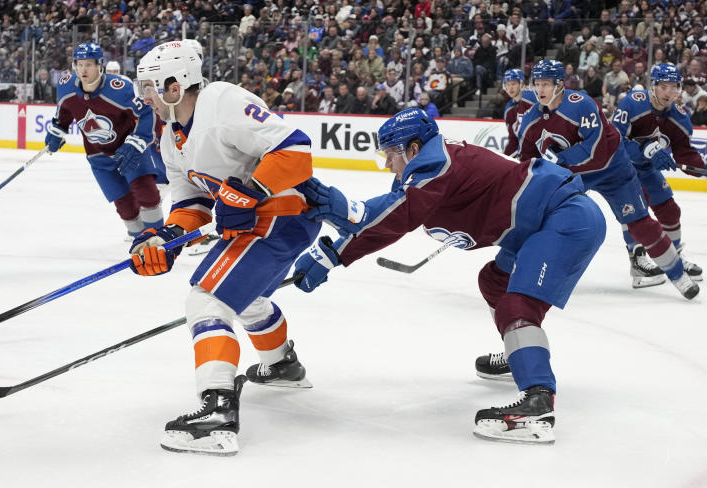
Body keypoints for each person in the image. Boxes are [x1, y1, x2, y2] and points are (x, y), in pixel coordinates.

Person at [293, 108, 606, 444]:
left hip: (564, 219)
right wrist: (335, 252)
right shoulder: (430, 164)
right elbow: (393, 216)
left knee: (517, 307)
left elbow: (396, 214)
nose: (387, 165)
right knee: (494, 281)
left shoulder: (435, 163)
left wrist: (339, 237)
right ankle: (520, 354)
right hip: (537, 225)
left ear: (413, 148)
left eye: (390, 155)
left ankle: (537, 402)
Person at [132, 41, 319, 456]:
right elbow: (190, 202)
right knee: (243, 299)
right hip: (257, 222)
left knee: (207, 299)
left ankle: (217, 408)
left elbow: (296, 148)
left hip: (283, 214)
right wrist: (165, 238)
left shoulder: (223, 101)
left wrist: (249, 192)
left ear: (174, 84)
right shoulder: (168, 135)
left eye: (148, 86)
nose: (142, 96)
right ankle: (282, 364)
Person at [515, 60, 698, 299]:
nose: (540, 90)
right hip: (575, 178)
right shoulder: (530, 121)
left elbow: (597, 149)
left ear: (560, 84)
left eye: (546, 84)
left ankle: (677, 275)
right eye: (537, 84)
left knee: (641, 223)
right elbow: (527, 165)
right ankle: (522, 268)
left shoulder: (581, 104)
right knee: (542, 218)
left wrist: (560, 160)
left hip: (614, 170)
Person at [45, 42, 168, 239]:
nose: (83, 69)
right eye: (79, 64)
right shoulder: (65, 85)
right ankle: (140, 240)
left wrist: (137, 142)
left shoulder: (120, 88)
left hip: (129, 150)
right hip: (98, 156)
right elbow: (63, 112)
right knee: (124, 206)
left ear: (99, 65)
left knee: (147, 193)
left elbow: (148, 112)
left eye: (89, 64)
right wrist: (57, 130)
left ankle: (159, 237)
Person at [610, 63, 704, 286]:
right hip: (620, 167)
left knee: (670, 210)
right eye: (664, 87)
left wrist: (699, 166)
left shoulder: (678, 116)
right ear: (653, 86)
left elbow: (684, 151)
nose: (669, 93)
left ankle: (674, 257)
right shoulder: (633, 103)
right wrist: (646, 150)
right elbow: (613, 139)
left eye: (674, 87)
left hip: (645, 168)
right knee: (635, 211)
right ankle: (638, 261)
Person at [501, 69, 538, 157]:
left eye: (513, 84)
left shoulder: (532, 98)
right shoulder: (509, 108)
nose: (510, 88)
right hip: (526, 151)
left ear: (521, 84)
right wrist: (506, 157)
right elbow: (513, 138)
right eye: (507, 84)